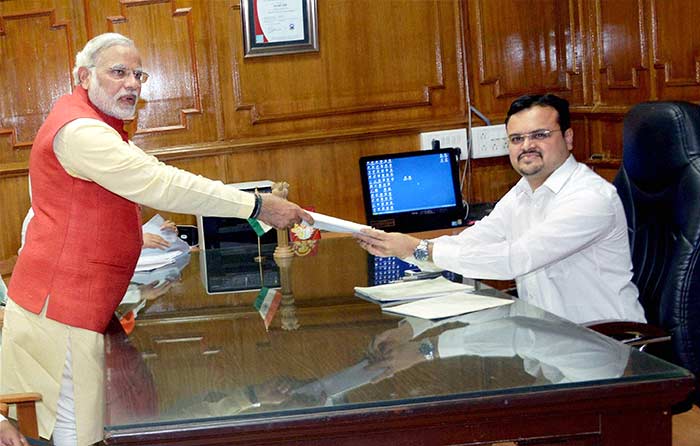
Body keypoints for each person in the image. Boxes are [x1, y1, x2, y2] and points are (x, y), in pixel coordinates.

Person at [1, 32, 312, 446]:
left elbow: (134, 183)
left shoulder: (95, 124)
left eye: (138, 74)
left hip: (68, 305)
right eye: (118, 72)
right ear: (83, 76)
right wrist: (256, 206)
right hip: (61, 311)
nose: (131, 83)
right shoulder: (79, 132)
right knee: (77, 436)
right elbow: (159, 183)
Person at [354, 93, 645, 325]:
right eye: (517, 139)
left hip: (605, 344)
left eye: (540, 135)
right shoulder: (522, 192)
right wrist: (407, 247)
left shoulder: (590, 198)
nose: (526, 146)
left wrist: (418, 250)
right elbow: (477, 239)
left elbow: (516, 259)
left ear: (568, 138)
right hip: (548, 341)